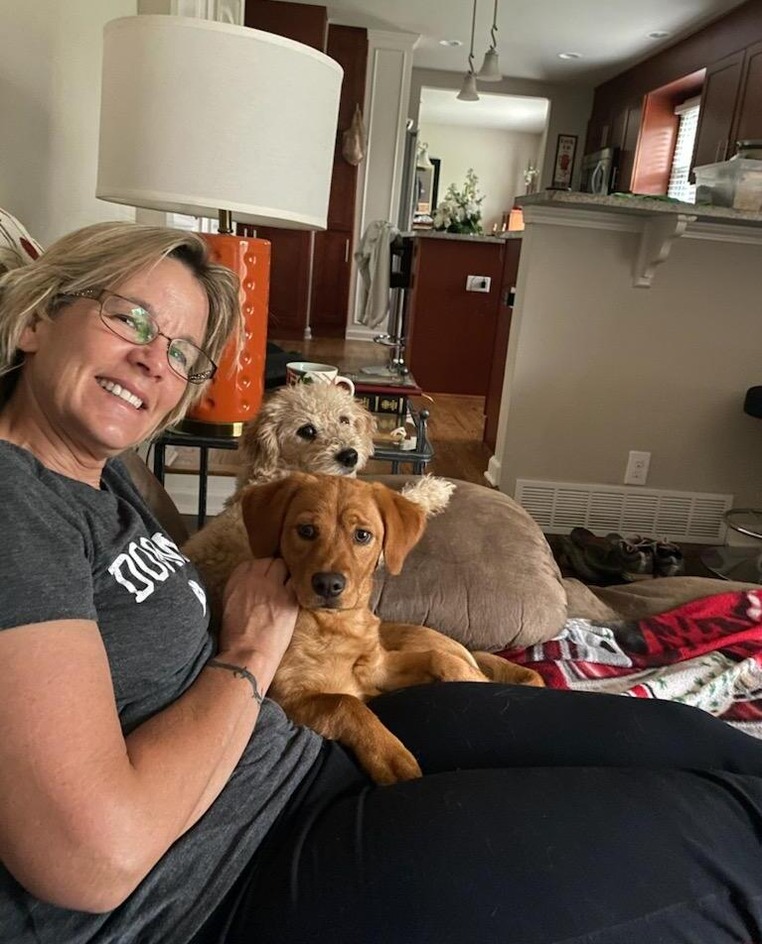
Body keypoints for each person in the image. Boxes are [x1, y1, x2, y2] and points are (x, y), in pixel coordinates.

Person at [2, 221, 762, 944]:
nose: (153, 362)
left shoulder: (97, 479)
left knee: (684, 740)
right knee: (730, 840)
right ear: (36, 319)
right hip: (226, 882)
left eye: (181, 352)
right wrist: (248, 655)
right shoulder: (15, 506)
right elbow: (92, 861)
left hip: (293, 760)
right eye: (131, 320)